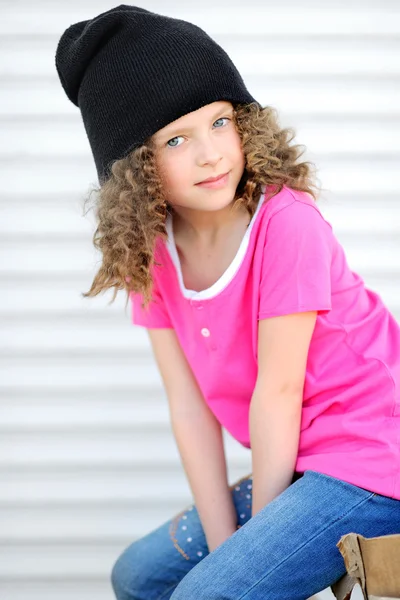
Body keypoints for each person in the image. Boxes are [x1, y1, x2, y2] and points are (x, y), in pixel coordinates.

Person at [55, 5, 400, 599]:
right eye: (177, 139)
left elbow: (279, 391)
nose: (211, 154)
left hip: (373, 459)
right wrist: (224, 545)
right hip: (301, 462)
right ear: (137, 165)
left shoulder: (286, 223)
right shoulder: (154, 253)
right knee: (137, 577)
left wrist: (243, 557)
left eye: (220, 122)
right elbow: (188, 407)